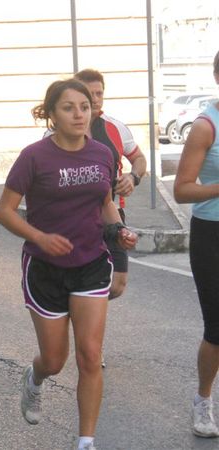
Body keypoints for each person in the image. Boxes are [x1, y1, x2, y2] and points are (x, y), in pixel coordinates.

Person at [0, 79, 137, 450]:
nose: (78, 114)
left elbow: (105, 203)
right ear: (52, 114)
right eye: (69, 107)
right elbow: (4, 212)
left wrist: (119, 229)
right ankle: (35, 378)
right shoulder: (34, 157)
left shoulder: (103, 154)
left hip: (91, 262)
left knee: (90, 355)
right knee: (55, 360)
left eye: (85, 106)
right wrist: (40, 237)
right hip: (44, 268)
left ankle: (86, 441)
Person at [174, 50, 219, 439]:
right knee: (218, 327)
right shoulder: (206, 126)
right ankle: (203, 401)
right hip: (213, 235)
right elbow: (182, 189)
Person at [74, 69, 147, 300]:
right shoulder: (59, 132)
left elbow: (139, 158)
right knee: (79, 279)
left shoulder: (115, 127)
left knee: (118, 283)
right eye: (89, 93)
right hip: (76, 219)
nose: (95, 99)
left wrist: (132, 178)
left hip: (112, 214)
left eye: (99, 93)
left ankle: (87, 309)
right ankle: (84, 314)